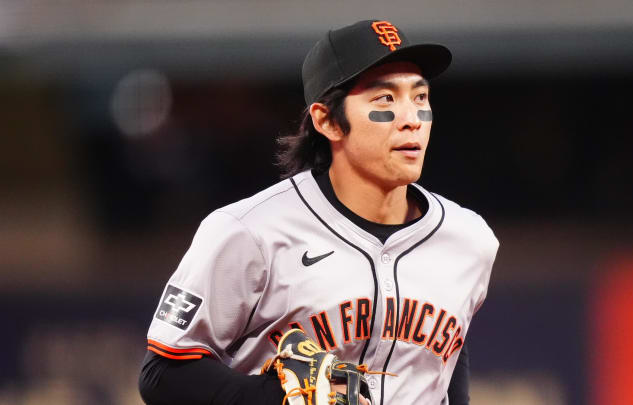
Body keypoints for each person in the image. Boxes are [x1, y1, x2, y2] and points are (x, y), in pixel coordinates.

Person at [139, 19, 498, 405]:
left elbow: (447, 356)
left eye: (420, 97)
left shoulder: (469, 238)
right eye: (385, 100)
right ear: (326, 120)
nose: (411, 118)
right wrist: (275, 398)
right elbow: (162, 373)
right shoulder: (248, 232)